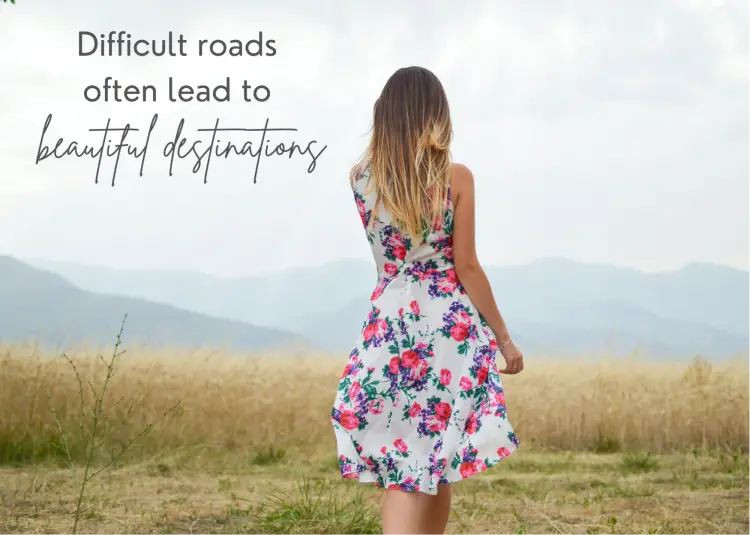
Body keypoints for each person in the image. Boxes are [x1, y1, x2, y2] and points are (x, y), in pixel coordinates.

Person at [331, 66, 523, 535]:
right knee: (432, 457)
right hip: (446, 329)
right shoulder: (456, 178)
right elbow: (467, 267)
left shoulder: (360, 179)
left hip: (390, 324)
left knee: (411, 458)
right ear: (436, 115)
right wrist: (504, 339)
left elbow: (388, 262)